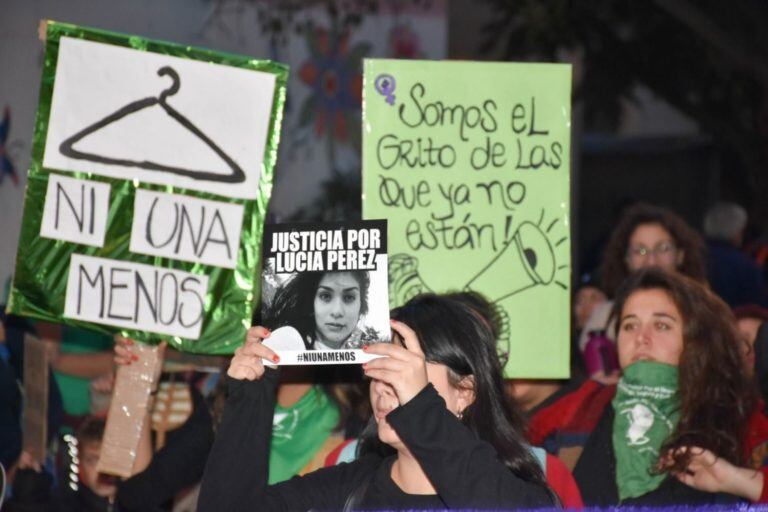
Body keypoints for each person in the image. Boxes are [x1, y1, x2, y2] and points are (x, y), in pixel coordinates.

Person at [199, 294, 556, 510]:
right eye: (377, 367)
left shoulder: (518, 492)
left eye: (401, 369)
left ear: (465, 391)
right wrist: (251, 398)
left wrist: (419, 406)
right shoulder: (349, 489)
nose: (382, 384)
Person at [530, 268, 762, 506]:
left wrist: (740, 481)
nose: (641, 337)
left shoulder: (740, 418)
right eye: (630, 325)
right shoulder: (580, 409)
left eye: (661, 325)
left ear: (697, 340)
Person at [578, 203, 707, 368]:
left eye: (663, 248)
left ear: (680, 255)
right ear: (626, 259)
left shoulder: (703, 313)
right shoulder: (603, 319)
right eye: (640, 251)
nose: (652, 260)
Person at [264, 270, 378, 350]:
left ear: (361, 306)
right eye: (325, 296)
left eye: (349, 297)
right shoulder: (288, 339)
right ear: (311, 302)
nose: (337, 311)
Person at [704, 202, 768, 308]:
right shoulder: (745, 266)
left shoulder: (693, 256)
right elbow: (758, 306)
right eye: (741, 230)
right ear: (736, 232)